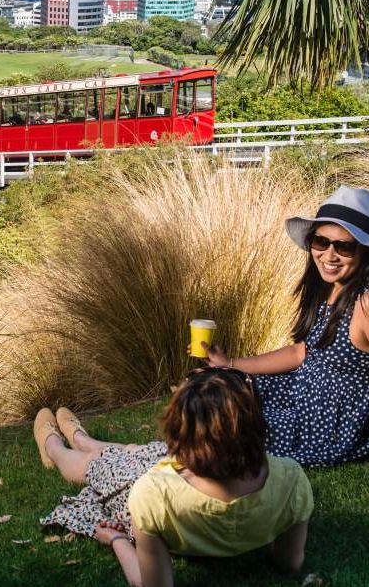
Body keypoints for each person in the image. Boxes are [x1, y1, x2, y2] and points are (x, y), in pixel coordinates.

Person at [35, 368, 313, 587]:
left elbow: (148, 582)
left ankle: (54, 447)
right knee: (140, 451)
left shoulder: (152, 495)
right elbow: (289, 564)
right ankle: (84, 438)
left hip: (155, 484)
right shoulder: (291, 477)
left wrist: (117, 540)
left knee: (97, 464)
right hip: (198, 469)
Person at [204, 185, 369, 466]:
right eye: (321, 242)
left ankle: (124, 455)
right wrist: (231, 363)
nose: (329, 256)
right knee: (216, 387)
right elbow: (302, 352)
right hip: (299, 393)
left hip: (322, 426)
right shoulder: (329, 289)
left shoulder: (365, 303)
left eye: (344, 246)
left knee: (222, 435)